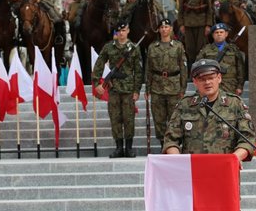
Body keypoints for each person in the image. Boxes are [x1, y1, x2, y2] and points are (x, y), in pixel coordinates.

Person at [163, 58, 255, 211]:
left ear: (219, 78)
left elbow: (246, 140)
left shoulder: (233, 105)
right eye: (201, 78)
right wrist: (179, 165)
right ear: (195, 81)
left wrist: (234, 160)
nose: (207, 81)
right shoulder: (185, 106)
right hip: (192, 186)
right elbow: (171, 140)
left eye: (211, 76)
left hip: (223, 184)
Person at [92, 22, 143, 158]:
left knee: (129, 119)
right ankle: (119, 148)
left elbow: (138, 71)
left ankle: (128, 148)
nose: (121, 33)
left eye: (124, 30)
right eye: (119, 31)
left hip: (128, 89)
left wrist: (137, 90)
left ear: (128, 31)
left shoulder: (134, 48)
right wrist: (97, 82)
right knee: (115, 118)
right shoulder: (109, 47)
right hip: (113, 89)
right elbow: (99, 63)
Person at [145, 19, 188, 150]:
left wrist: (183, 88)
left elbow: (183, 68)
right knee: (159, 120)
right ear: (158, 30)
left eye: (166, 27)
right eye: (162, 27)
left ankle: (174, 145)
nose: (164, 29)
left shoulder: (178, 46)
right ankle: (163, 145)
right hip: (157, 87)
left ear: (170, 29)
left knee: (175, 119)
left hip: (174, 87)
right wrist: (147, 89)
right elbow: (148, 69)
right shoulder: (153, 47)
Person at [177, 0, 214, 69]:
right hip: (188, 23)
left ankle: (201, 69)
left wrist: (208, 25)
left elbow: (209, 9)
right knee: (190, 49)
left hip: (201, 23)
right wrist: (181, 24)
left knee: (201, 48)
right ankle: (191, 70)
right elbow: (180, 9)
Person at [196, 23, 245, 96]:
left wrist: (240, 86)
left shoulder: (233, 49)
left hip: (230, 85)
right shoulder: (206, 50)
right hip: (210, 84)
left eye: (221, 32)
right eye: (216, 32)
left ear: (226, 34)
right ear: (213, 35)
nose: (219, 34)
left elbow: (240, 69)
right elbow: (197, 67)